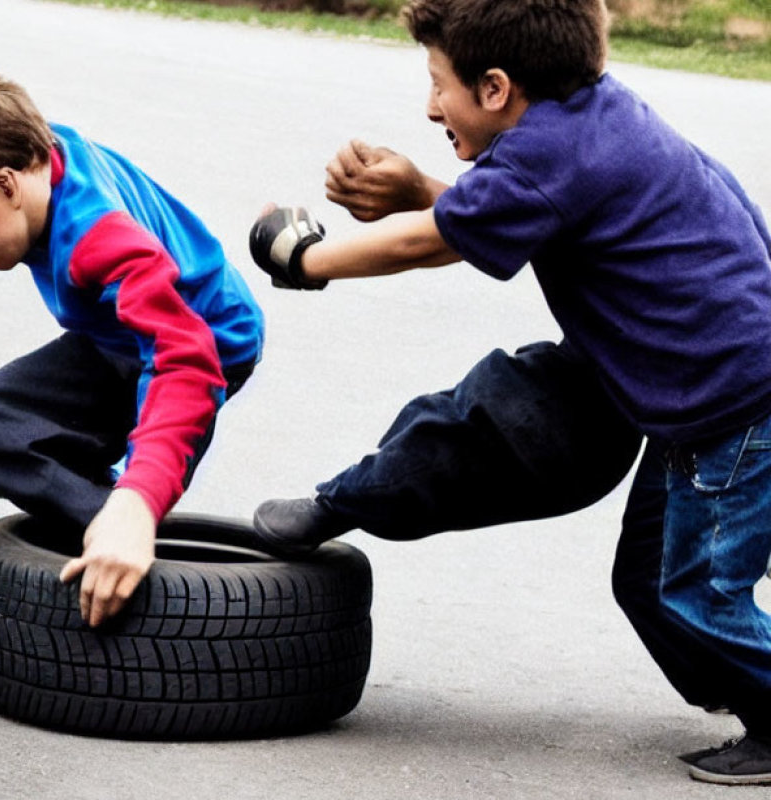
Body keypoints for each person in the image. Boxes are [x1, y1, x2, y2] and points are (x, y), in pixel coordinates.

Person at [248, 0, 771, 785]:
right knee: (649, 584)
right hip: (705, 398)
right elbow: (516, 207)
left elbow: (434, 244)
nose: (429, 107)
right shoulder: (589, 116)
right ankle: (745, 690)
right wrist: (425, 188)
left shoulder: (553, 151)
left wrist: (305, 261)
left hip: (736, 410)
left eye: (439, 85)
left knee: (696, 588)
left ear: (495, 88)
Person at [0, 61, 264, 628]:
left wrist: (139, 499)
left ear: (4, 184)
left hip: (205, 343)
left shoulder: (99, 240)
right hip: (118, 336)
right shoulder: (32, 148)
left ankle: (137, 556)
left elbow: (185, 360)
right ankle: (109, 529)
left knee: (144, 474)